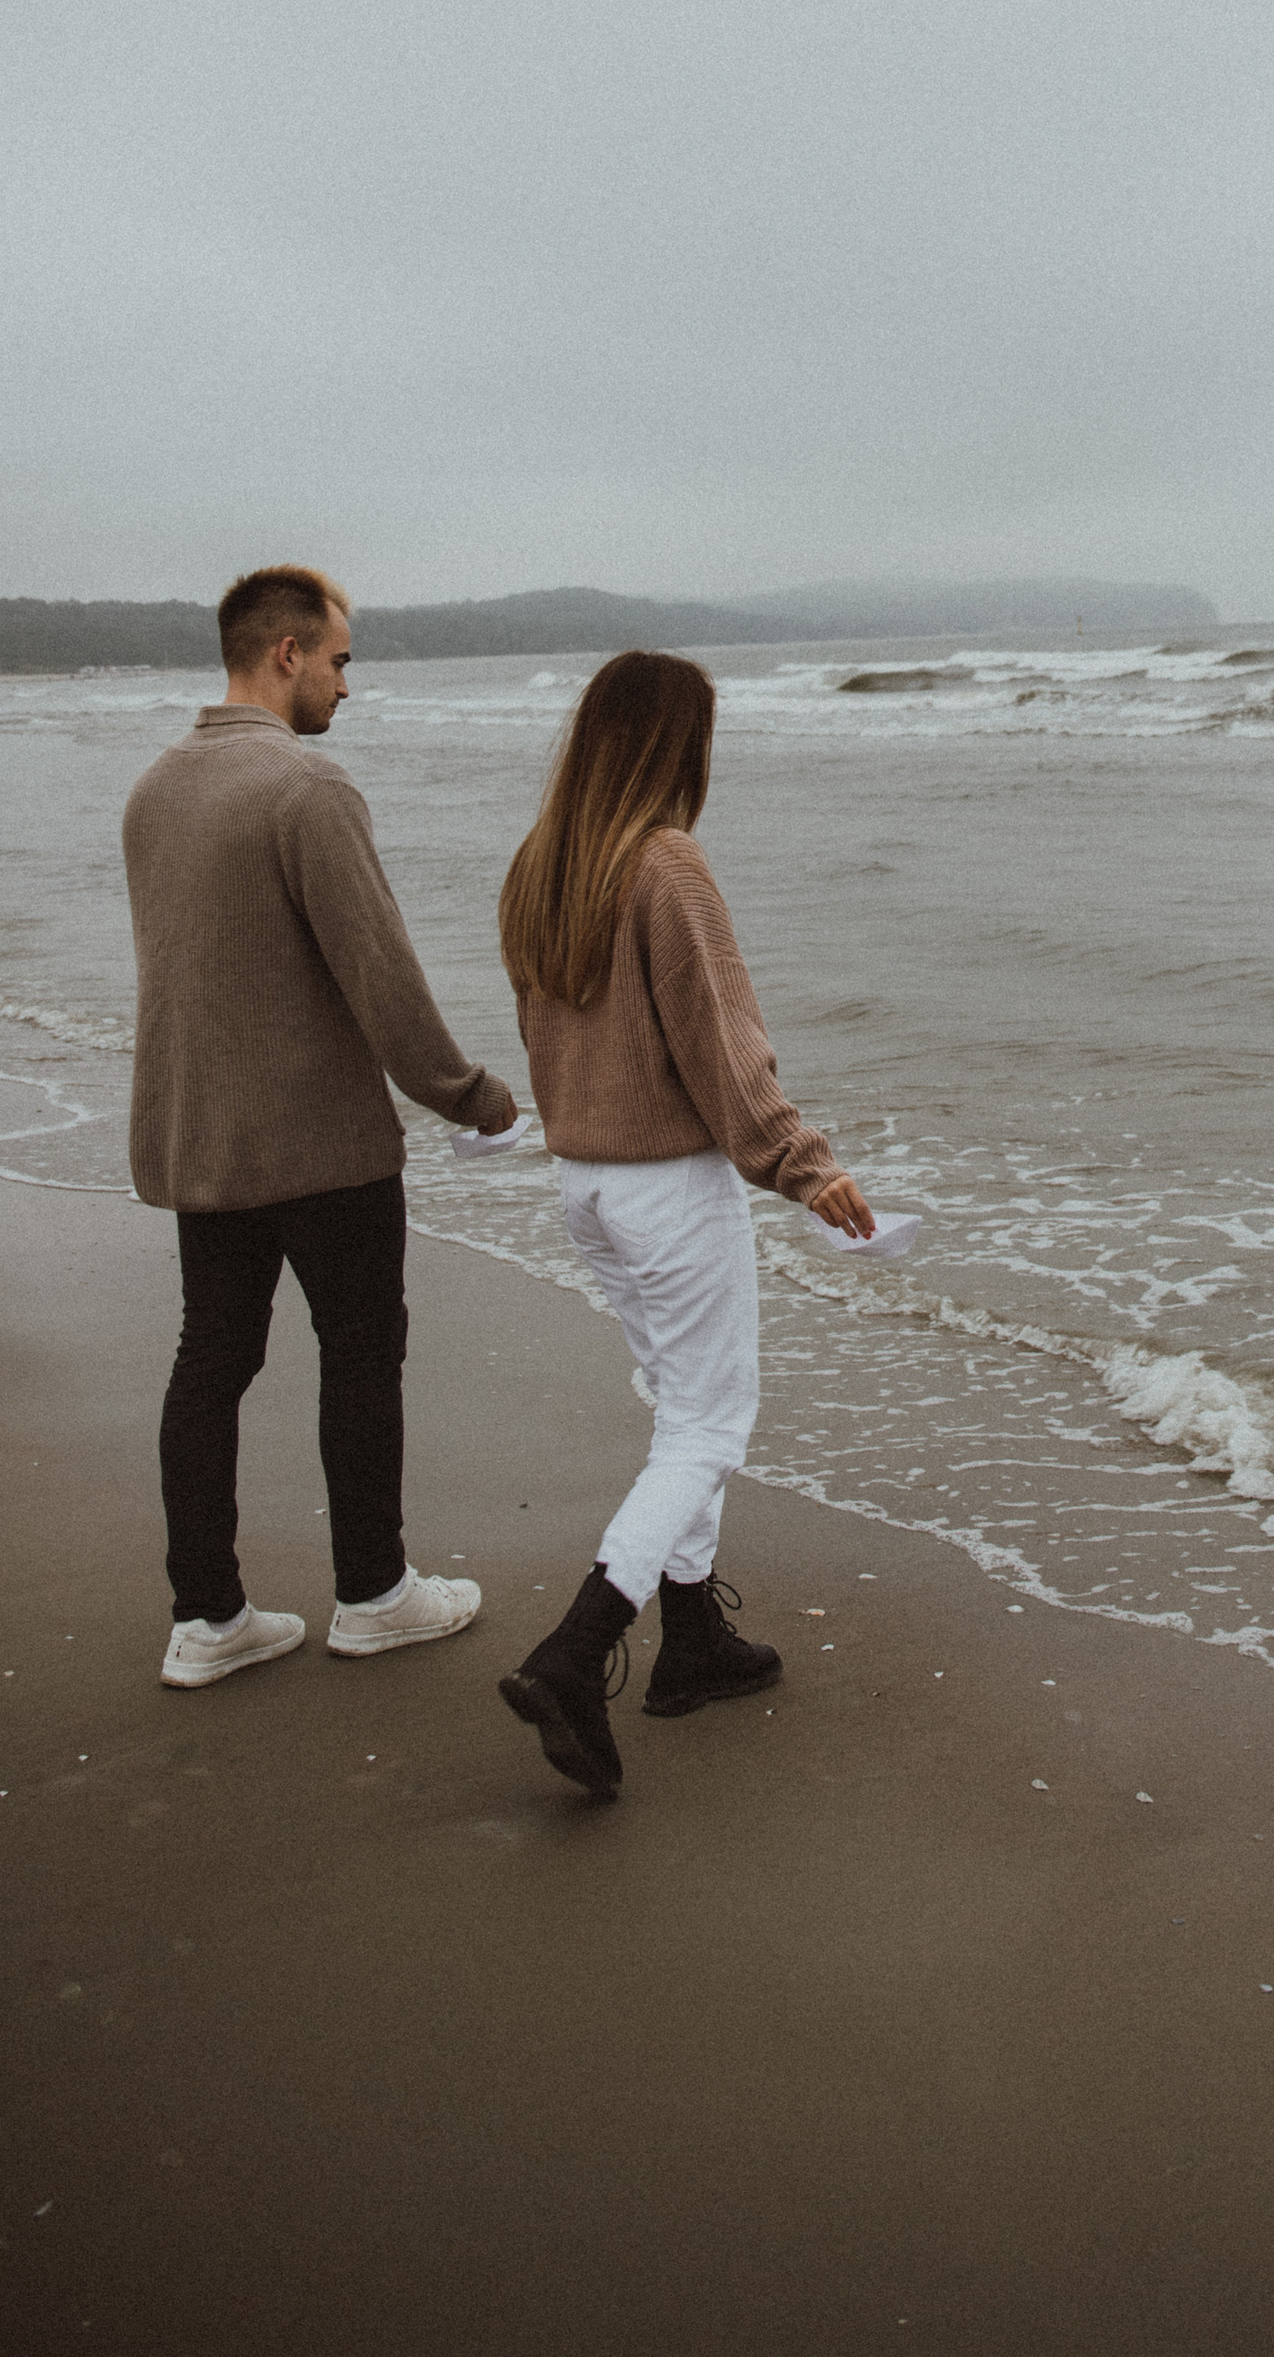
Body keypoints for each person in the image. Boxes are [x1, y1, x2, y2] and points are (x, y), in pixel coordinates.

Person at [123, 563, 519, 1690]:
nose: (349, 685)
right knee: (359, 1357)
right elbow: (379, 977)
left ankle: (206, 1620)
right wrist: (471, 1093)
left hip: (200, 1140)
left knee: (212, 1362)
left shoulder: (155, 788)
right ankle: (374, 1596)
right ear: (286, 653)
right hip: (320, 1146)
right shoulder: (306, 790)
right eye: (340, 660)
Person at [493, 648, 873, 1799]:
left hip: (587, 1188)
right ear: (677, 747)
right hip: (665, 1186)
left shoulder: (540, 866)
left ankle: (693, 1637)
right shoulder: (667, 869)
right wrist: (802, 1166)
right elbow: (721, 1044)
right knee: (709, 1424)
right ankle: (576, 1650)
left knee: (679, 1410)